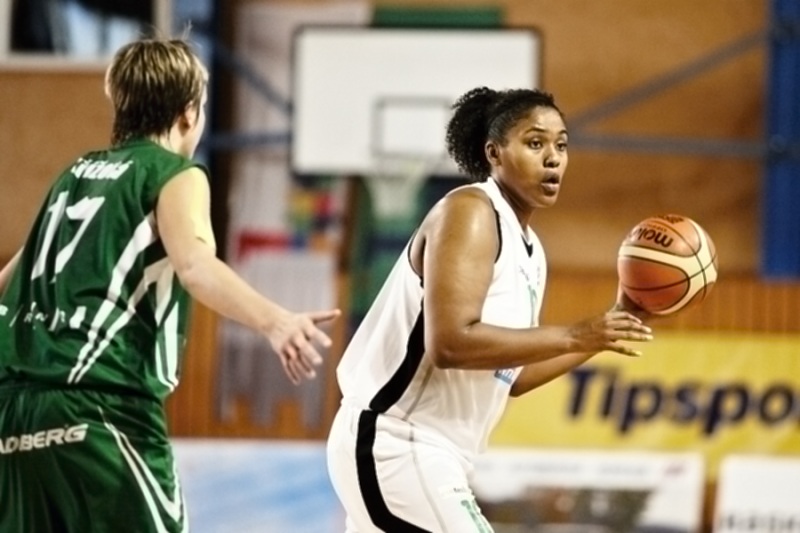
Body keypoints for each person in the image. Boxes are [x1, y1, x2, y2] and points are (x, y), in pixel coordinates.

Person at [0, 36, 339, 532]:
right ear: (188, 114)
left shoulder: (71, 178)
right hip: (100, 408)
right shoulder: (174, 174)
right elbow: (195, 266)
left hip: (13, 417)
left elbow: (8, 279)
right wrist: (275, 320)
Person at [325, 87, 654, 532]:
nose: (553, 158)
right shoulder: (471, 211)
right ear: (494, 153)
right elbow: (449, 343)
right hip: (396, 444)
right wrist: (578, 333)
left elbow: (512, 375)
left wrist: (609, 327)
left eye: (561, 145)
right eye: (535, 143)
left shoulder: (531, 251)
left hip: (432, 455)